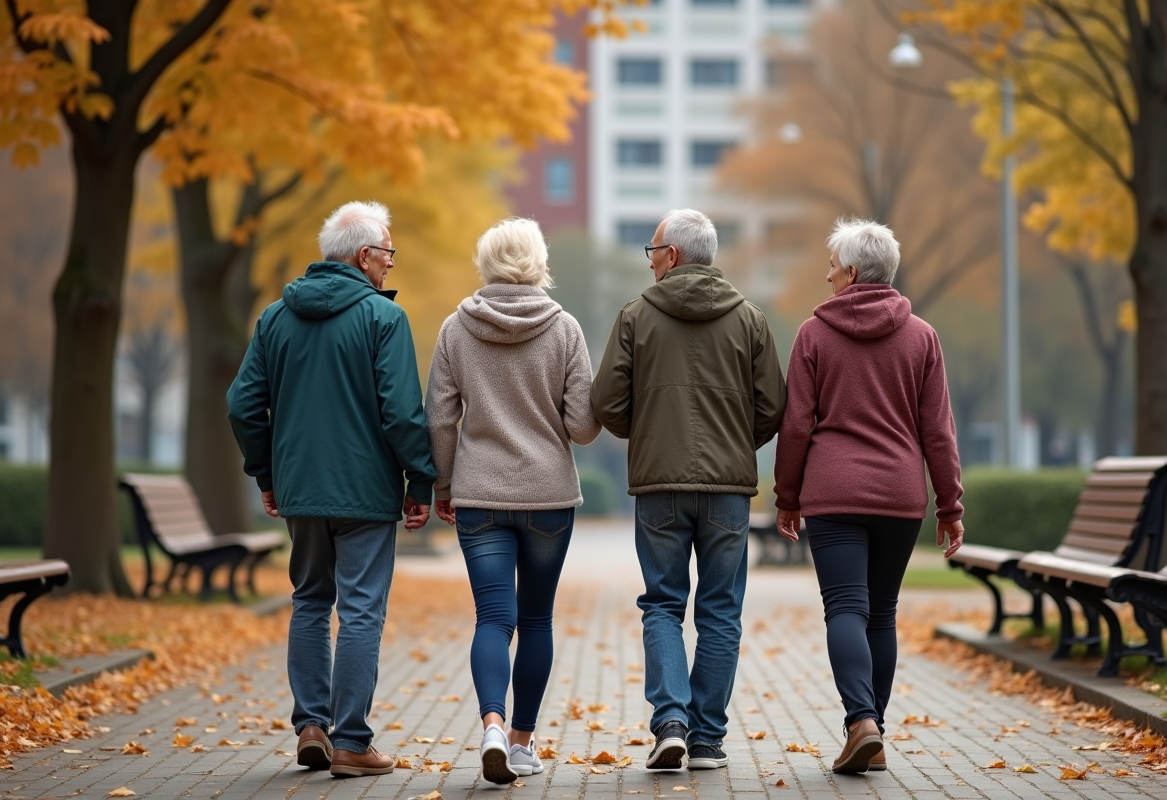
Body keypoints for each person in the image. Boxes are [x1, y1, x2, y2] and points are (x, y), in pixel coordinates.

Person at [227, 200, 437, 778]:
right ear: (365, 256)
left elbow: (242, 405)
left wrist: (268, 474)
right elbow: (400, 413)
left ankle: (311, 727)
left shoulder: (274, 318)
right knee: (361, 609)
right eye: (388, 254)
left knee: (310, 601)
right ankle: (351, 741)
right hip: (366, 491)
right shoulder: (383, 320)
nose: (391, 264)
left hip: (301, 490)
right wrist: (420, 481)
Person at [592, 208, 787, 771]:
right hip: (728, 489)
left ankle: (670, 723)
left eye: (652, 250)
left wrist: (649, 432)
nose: (649, 260)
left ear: (672, 255)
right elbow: (773, 406)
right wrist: (734, 441)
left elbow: (606, 403)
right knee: (721, 611)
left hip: (659, 486)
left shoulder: (635, 317)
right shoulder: (750, 317)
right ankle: (705, 741)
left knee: (662, 604)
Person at [773, 217, 964, 775]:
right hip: (900, 495)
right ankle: (871, 728)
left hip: (833, 494)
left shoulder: (813, 333)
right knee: (881, 614)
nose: (826, 274)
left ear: (851, 271)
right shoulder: (922, 336)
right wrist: (949, 505)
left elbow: (797, 426)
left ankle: (861, 723)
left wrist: (787, 496)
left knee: (845, 609)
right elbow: (938, 431)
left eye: (832, 265)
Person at [424, 218, 601, 784]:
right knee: (536, 617)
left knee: (493, 618)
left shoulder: (457, 327)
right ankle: (522, 743)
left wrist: (444, 485)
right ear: (537, 261)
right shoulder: (565, 328)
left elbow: (439, 418)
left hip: (480, 495)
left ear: (486, 262)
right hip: (548, 496)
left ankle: (493, 726)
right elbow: (583, 426)